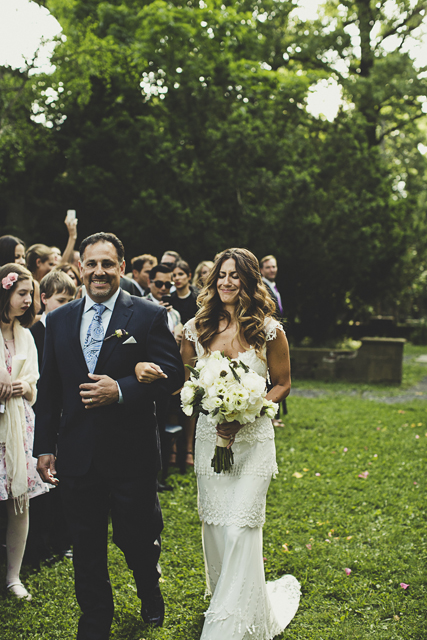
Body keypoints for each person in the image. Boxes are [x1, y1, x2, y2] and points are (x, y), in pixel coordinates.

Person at [34, 232, 184, 639]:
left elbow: (173, 378)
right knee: (85, 547)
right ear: (80, 268)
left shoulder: (148, 315)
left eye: (107, 264)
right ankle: (95, 621)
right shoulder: (59, 320)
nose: (99, 271)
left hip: (130, 454)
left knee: (136, 540)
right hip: (78, 454)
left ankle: (148, 589)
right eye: (91, 264)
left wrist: (119, 390)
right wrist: (45, 446)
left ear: (121, 266)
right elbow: (49, 388)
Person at [180, 248, 300, 639]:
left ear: (249, 281)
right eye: (221, 275)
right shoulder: (197, 329)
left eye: (235, 275)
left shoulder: (268, 330)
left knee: (239, 531)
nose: (226, 282)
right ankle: (230, 606)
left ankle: (226, 630)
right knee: (216, 529)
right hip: (210, 439)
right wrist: (210, 406)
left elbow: (281, 383)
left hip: (253, 443)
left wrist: (252, 408)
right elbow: (191, 381)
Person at [0, 264, 50, 601]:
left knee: (19, 504)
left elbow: (34, 382)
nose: (29, 300)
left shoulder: (26, 335)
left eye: (31, 295)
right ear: (5, 293)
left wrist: (23, 386)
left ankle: (13, 576)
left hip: (19, 427)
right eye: (22, 293)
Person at [26, 270, 76, 568]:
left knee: (63, 478)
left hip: (64, 412)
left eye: (71, 299)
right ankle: (41, 543)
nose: (66, 305)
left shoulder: (70, 330)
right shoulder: (35, 333)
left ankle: (63, 539)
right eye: (60, 300)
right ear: (43, 299)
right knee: (41, 479)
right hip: (36, 411)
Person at [260, 255, 287, 426]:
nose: (272, 270)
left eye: (274, 267)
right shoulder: (264, 287)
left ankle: (273, 415)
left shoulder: (274, 287)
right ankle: (270, 417)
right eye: (268, 267)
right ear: (262, 270)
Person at [145, 264, 181, 335]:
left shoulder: (175, 314)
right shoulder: (140, 305)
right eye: (159, 284)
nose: (163, 288)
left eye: (168, 284)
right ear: (149, 283)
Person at [26, 244, 56, 315]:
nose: (52, 269)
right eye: (50, 264)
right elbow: (35, 316)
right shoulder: (33, 283)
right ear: (38, 262)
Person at [171, 260, 199, 325]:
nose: (177, 278)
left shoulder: (198, 298)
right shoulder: (170, 299)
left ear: (189, 276)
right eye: (174, 275)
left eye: (180, 274)